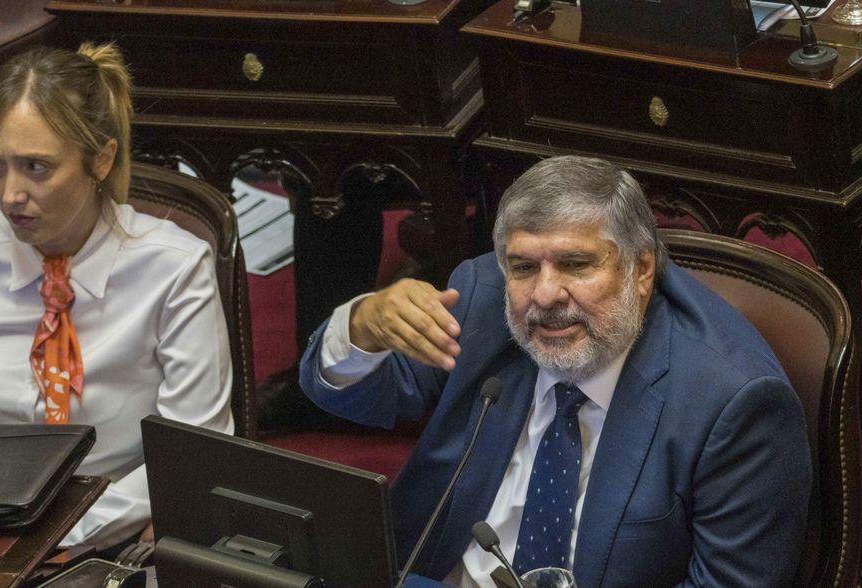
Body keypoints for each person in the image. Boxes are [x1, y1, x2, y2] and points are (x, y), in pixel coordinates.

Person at [298, 156, 811, 587]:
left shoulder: (734, 402)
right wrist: (363, 326)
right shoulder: (481, 299)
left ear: (641, 269)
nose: (544, 294)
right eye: (523, 268)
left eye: (575, 265)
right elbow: (357, 396)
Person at [0, 43, 234, 550]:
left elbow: (194, 450)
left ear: (101, 160)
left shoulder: (173, 268)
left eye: (36, 167)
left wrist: (59, 537)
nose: (8, 195)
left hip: (109, 536)